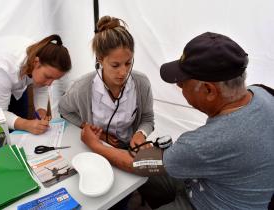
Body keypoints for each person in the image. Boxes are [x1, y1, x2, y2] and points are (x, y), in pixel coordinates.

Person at [80, 32, 274, 209]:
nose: (178, 87)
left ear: (208, 90)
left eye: (182, 82)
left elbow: (138, 163)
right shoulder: (263, 93)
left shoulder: (206, 143)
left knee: (136, 169)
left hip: (205, 203)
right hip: (211, 181)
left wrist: (96, 145)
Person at [58, 16, 154, 149]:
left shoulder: (141, 83)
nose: (123, 72)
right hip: (95, 149)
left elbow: (147, 118)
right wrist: (89, 128)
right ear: (100, 60)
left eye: (128, 63)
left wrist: (141, 133)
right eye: (115, 65)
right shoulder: (82, 88)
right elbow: (64, 110)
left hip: (129, 149)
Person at [0, 34, 71, 134]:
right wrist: (26, 124)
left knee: (21, 119)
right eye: (48, 77)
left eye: (55, 79)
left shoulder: (42, 56)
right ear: (36, 62)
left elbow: (42, 88)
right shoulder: (2, 68)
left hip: (13, 73)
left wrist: (41, 111)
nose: (49, 84)